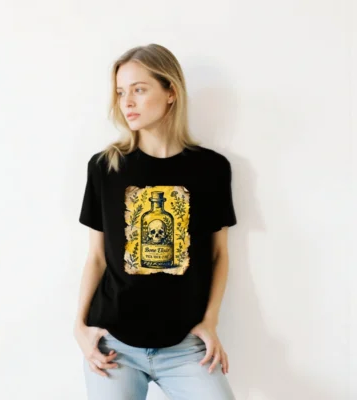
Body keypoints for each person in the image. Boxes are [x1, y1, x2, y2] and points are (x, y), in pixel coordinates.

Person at [73, 43, 237, 399]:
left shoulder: (211, 169)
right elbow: (97, 257)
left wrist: (210, 321)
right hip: (114, 345)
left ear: (171, 92)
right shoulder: (105, 167)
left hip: (186, 347)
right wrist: (79, 327)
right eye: (121, 92)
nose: (127, 102)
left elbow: (219, 254)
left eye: (139, 89)